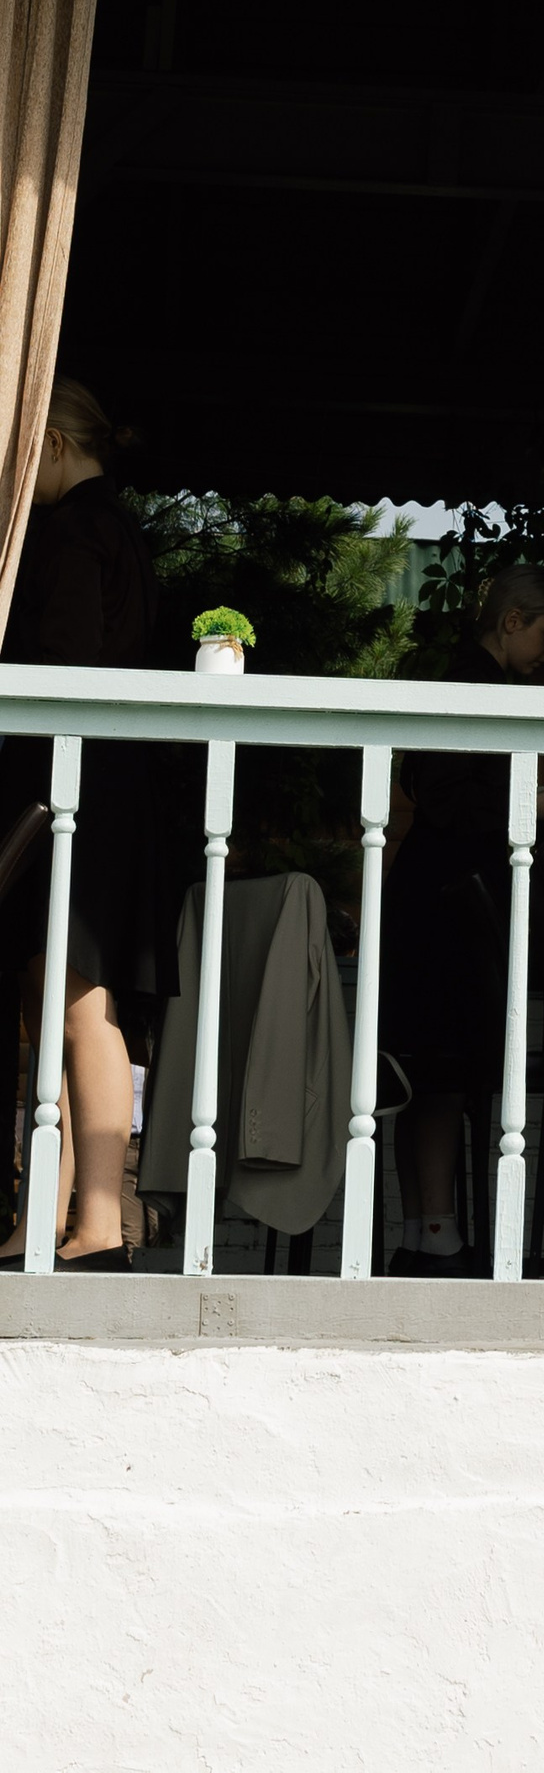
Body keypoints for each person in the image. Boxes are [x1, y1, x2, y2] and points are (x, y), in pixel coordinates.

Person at [0, 378, 170, 1270]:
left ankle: (97, 1222)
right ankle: (57, 1219)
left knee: (75, 1006)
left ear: (56, 445)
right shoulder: (123, 533)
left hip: (70, 791)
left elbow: (60, 669)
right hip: (103, 788)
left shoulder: (72, 532)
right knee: (63, 1005)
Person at [381, 564, 544, 1274]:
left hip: (433, 895)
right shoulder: (474, 683)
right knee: (442, 1071)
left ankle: (423, 1234)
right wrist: (535, 806)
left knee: (425, 1074)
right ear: (512, 621)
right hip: (446, 903)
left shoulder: (467, 679)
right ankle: (438, 1243)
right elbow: (443, 795)